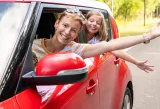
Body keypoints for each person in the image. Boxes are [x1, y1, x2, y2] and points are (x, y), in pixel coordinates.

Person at [32, 8, 160, 69]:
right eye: (65, 25)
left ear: (77, 35)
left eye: (73, 30)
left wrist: (147, 36)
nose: (67, 32)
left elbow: (111, 45)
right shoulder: (32, 46)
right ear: (56, 24)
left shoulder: (75, 49)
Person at [83, 10, 153, 73]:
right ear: (85, 21)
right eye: (91, 21)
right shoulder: (75, 35)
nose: (94, 24)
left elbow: (115, 50)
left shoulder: (98, 41)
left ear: (101, 27)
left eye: (98, 23)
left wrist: (136, 62)